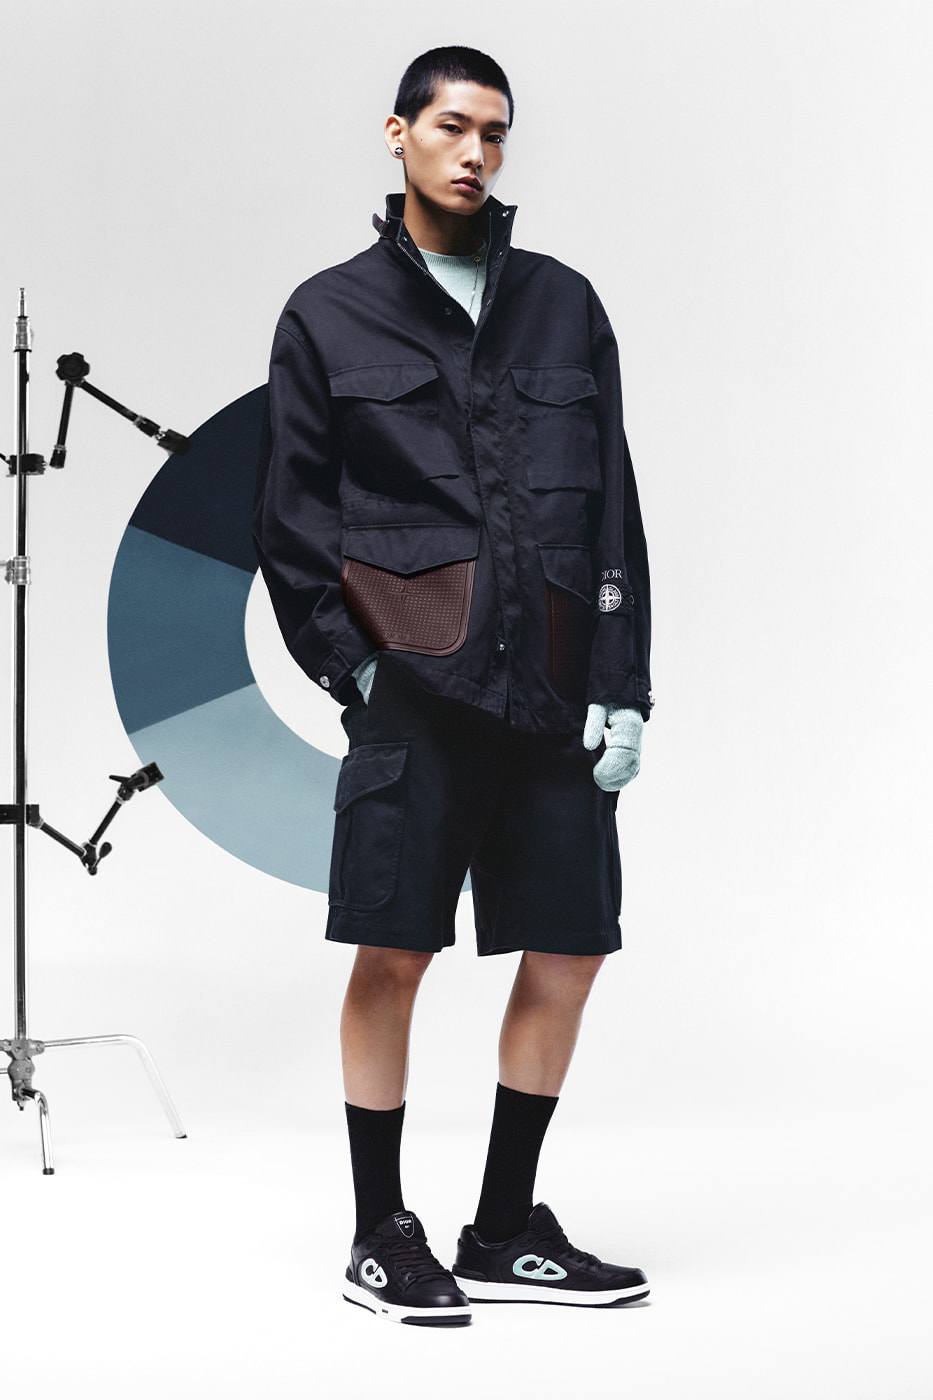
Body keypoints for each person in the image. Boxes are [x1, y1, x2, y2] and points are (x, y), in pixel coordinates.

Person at [252, 45, 654, 1327]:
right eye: (452, 127)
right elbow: (293, 523)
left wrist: (626, 683)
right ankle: (381, 1230)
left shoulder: (563, 304)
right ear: (400, 134)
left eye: (496, 133)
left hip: (554, 688)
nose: (476, 152)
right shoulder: (329, 313)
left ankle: (503, 1225)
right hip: (416, 690)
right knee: (394, 953)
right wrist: (359, 666)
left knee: (573, 949)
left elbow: (612, 508)